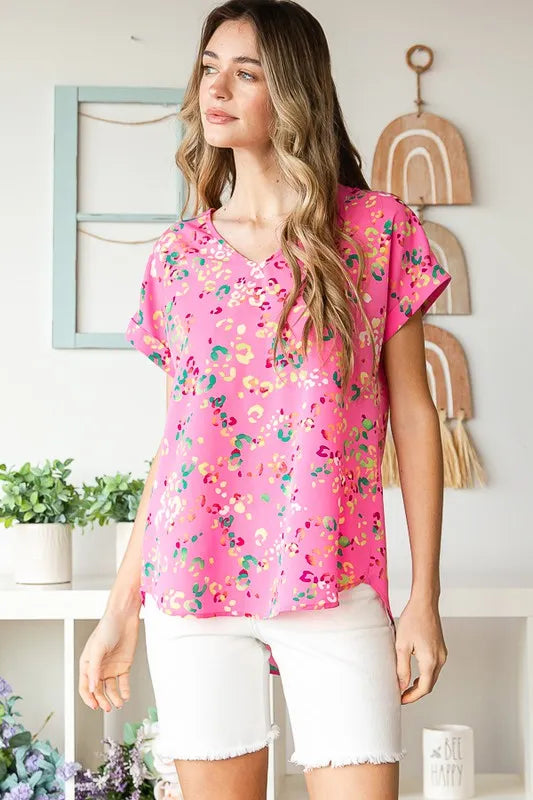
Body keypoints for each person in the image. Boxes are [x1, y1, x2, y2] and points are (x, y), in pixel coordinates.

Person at [78, 1, 450, 798]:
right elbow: (178, 448)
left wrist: (423, 597)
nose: (215, 89)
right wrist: (120, 608)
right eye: (209, 68)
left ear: (293, 92)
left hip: (332, 580)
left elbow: (415, 417)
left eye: (245, 73)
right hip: (192, 586)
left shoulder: (377, 232)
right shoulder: (178, 258)